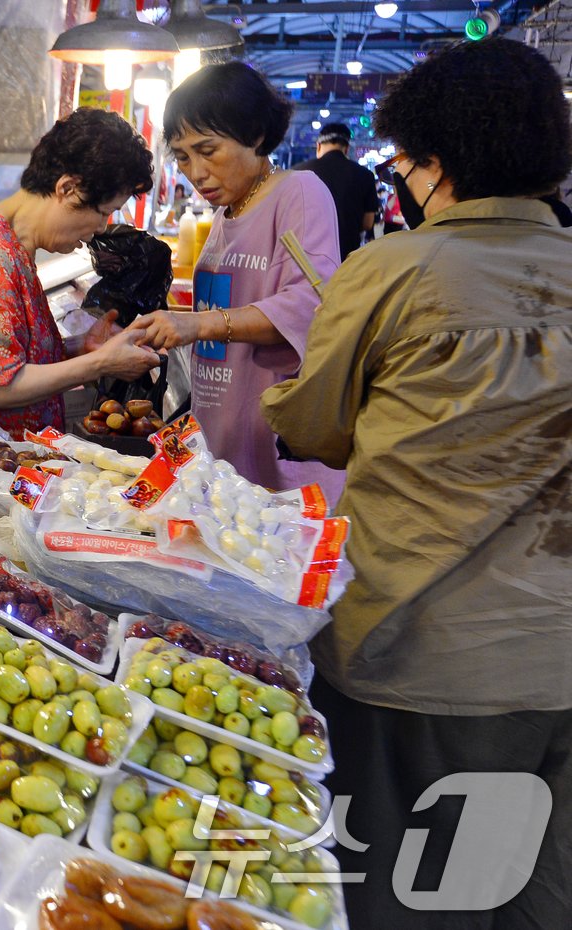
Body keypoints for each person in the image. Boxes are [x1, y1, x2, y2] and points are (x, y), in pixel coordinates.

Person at [260, 37, 572, 930]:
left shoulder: (394, 272)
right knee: (531, 893)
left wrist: (292, 391)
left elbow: (314, 429)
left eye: (404, 162)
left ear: (436, 166)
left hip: (417, 650)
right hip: (558, 662)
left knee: (407, 891)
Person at [126, 61, 344, 501]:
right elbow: (224, 310)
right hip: (221, 437)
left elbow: (312, 304)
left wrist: (196, 326)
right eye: (183, 156)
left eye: (208, 150)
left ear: (256, 135)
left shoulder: (299, 192)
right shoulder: (226, 213)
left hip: (273, 445)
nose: (196, 171)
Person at [0, 108, 162, 438]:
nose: (100, 229)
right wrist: (101, 364)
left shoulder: (11, 247)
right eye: (104, 213)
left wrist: (78, 347)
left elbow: (4, 357)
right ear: (67, 188)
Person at [295, 122, 380, 259]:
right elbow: (368, 222)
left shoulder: (298, 172)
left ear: (318, 146)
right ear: (346, 149)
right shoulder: (365, 175)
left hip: (305, 259)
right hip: (346, 257)